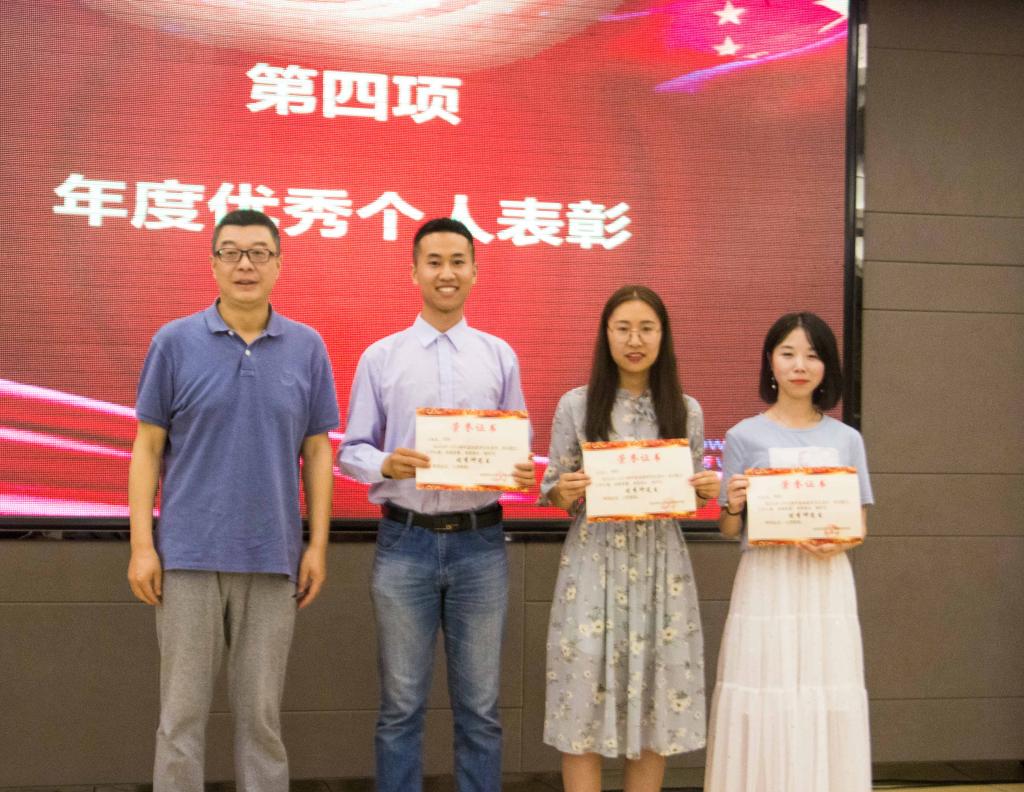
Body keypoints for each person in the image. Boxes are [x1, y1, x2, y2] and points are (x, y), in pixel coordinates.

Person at [127, 209, 339, 791]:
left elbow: (317, 452)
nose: (246, 264)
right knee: (180, 721)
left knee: (262, 723)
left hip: (272, 558)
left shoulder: (307, 347)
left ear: (278, 263)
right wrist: (142, 546)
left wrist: (317, 545)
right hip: (187, 556)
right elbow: (147, 448)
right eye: (232, 252)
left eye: (259, 253)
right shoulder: (174, 342)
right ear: (213, 263)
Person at [338, 217, 535, 792]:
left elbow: (517, 445)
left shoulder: (499, 356)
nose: (446, 273)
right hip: (406, 541)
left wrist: (520, 469)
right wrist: (385, 464)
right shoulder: (381, 357)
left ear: (475, 271)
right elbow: (351, 450)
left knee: (481, 709)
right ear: (414, 272)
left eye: (457, 261)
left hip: (480, 543)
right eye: (434, 262)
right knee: (400, 707)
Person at [539, 285, 719, 792]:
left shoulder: (686, 409)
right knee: (583, 710)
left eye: (646, 328)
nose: (634, 340)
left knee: (654, 710)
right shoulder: (576, 405)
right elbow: (553, 487)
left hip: (662, 569)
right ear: (606, 335)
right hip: (593, 566)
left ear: (663, 335)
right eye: (623, 328)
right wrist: (563, 491)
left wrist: (705, 489)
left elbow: (689, 496)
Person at [704, 312, 873, 792]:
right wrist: (733, 504)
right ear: (770, 362)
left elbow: (859, 526)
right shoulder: (743, 436)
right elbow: (728, 528)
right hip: (767, 579)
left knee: (826, 688)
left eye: (813, 355)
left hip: (825, 582)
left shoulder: (847, 439)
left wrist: (836, 541)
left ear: (828, 366)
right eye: (788, 354)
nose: (800, 366)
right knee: (764, 688)